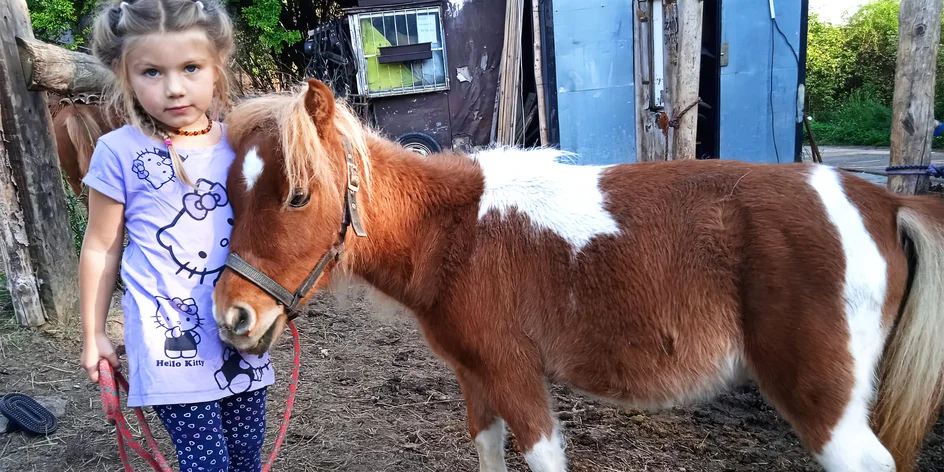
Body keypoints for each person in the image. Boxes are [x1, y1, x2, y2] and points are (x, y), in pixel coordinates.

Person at [78, 1, 274, 470]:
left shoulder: (242, 144)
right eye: (151, 72)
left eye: (190, 68)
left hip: (240, 333)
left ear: (216, 67)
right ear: (123, 74)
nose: (173, 88)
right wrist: (93, 333)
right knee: (206, 464)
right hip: (169, 346)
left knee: (247, 458)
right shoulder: (119, 152)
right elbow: (101, 247)